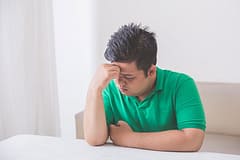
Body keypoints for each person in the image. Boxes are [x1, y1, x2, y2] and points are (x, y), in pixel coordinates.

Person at [83, 23, 206, 152]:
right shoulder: (110, 88)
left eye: (129, 77)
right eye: (116, 74)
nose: (119, 82)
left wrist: (129, 138)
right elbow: (94, 140)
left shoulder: (181, 84)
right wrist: (94, 88)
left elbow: (193, 139)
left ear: (151, 71)